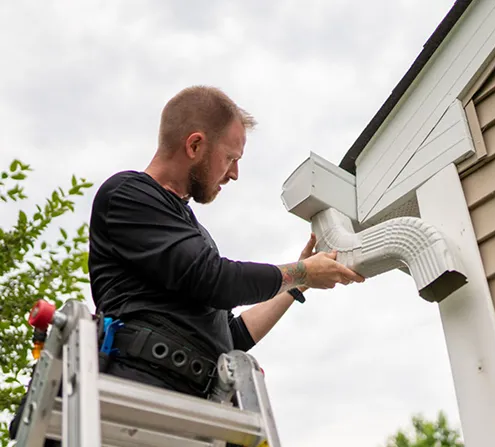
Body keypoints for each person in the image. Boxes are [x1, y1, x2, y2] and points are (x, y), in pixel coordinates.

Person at [9, 85, 364, 445]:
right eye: (230, 158)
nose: (235, 173)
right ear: (194, 146)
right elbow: (215, 279)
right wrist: (300, 271)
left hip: (197, 406)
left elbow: (232, 336)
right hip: (135, 394)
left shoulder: (191, 231)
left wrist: (297, 284)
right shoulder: (129, 194)